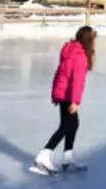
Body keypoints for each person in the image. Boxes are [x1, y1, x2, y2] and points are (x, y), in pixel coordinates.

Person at [31, 26, 96, 176]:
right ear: (88, 40)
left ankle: (67, 157)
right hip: (68, 94)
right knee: (68, 125)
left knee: (72, 124)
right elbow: (77, 80)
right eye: (93, 41)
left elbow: (63, 74)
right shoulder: (79, 55)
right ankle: (43, 156)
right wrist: (75, 101)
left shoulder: (71, 50)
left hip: (62, 92)